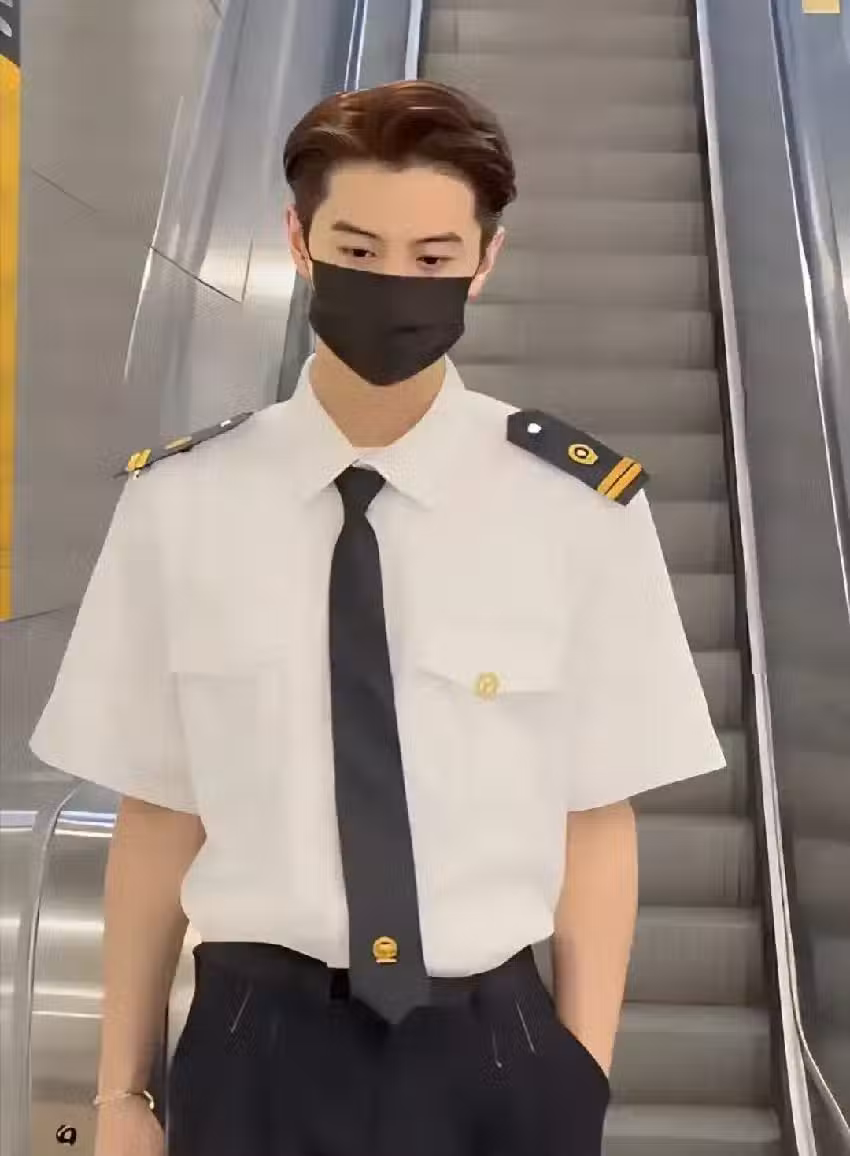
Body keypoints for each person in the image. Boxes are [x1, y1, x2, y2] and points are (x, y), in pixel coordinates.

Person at [30, 79, 726, 1156]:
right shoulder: (179, 502)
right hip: (251, 1047)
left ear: (485, 262)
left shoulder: (579, 510)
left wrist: (579, 1079)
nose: (395, 284)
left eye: (433, 257)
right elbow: (159, 813)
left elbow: (596, 816)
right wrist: (121, 1094)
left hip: (496, 1049)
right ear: (298, 241)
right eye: (358, 249)